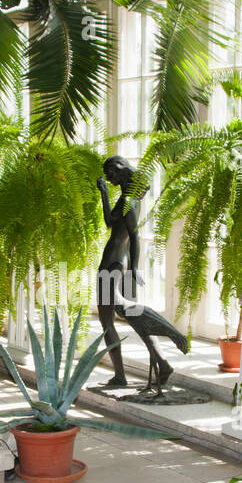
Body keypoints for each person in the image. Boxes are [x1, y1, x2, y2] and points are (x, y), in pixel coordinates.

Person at [96, 155, 140, 387]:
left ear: (119, 169)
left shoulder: (128, 200)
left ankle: (120, 376)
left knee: (106, 320)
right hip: (119, 261)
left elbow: (133, 235)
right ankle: (161, 363)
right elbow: (115, 224)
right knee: (130, 316)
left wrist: (135, 269)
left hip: (112, 261)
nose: (109, 180)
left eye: (109, 175)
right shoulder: (129, 198)